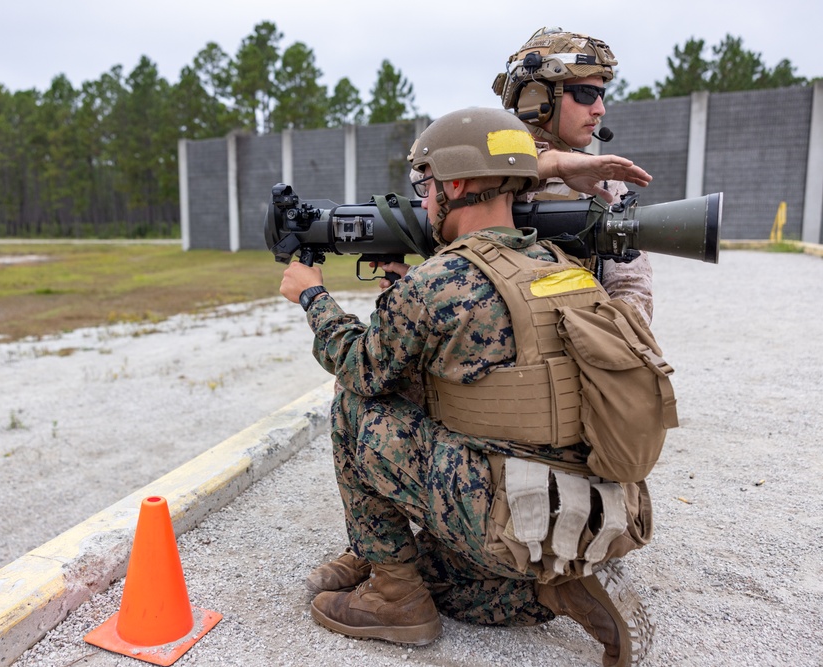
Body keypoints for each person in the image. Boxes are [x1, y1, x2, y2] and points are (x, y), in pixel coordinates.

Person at [280, 108, 654, 666]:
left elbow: (361, 366)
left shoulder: (439, 280)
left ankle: (395, 596)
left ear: (455, 186)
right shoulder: (564, 266)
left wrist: (313, 297)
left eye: (427, 186)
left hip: (509, 515)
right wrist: (405, 295)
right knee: (450, 580)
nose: (426, 200)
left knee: (355, 403)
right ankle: (548, 588)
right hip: (591, 513)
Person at [493, 26, 655, 324]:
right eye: (586, 94)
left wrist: (601, 338)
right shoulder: (473, 159)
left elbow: (631, 289)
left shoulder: (602, 184)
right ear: (535, 96)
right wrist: (552, 164)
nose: (600, 109)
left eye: (601, 95)